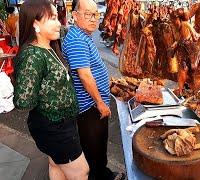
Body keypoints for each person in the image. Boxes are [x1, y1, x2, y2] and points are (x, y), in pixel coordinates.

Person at [13, 0, 89, 179]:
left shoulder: (49, 46)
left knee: (55, 165)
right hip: (54, 127)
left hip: (62, 123)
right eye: (53, 18)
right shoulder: (33, 55)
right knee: (81, 172)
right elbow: (23, 101)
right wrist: (47, 94)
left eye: (57, 17)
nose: (59, 23)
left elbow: (70, 29)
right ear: (35, 23)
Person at [62, 0, 125, 179]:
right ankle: (100, 176)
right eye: (88, 14)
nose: (94, 19)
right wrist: (100, 103)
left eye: (96, 14)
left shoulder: (82, 36)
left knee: (98, 148)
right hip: (90, 107)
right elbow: (85, 76)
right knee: (94, 150)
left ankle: (104, 174)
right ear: (75, 16)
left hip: (94, 105)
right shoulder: (76, 40)